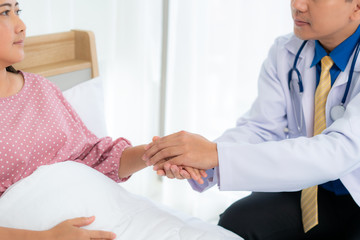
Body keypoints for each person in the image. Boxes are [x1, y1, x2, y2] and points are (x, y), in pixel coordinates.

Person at [143, 0, 360, 239]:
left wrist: (216, 154)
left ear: (357, 7)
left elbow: (339, 151)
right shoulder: (285, 51)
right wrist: (203, 161)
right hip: (309, 190)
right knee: (238, 222)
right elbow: (263, 128)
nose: (297, 5)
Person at [0, 0, 200, 239]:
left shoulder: (41, 89)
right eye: (4, 12)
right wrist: (46, 237)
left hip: (114, 217)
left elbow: (94, 156)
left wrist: (156, 152)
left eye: (17, 11)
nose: (21, 25)